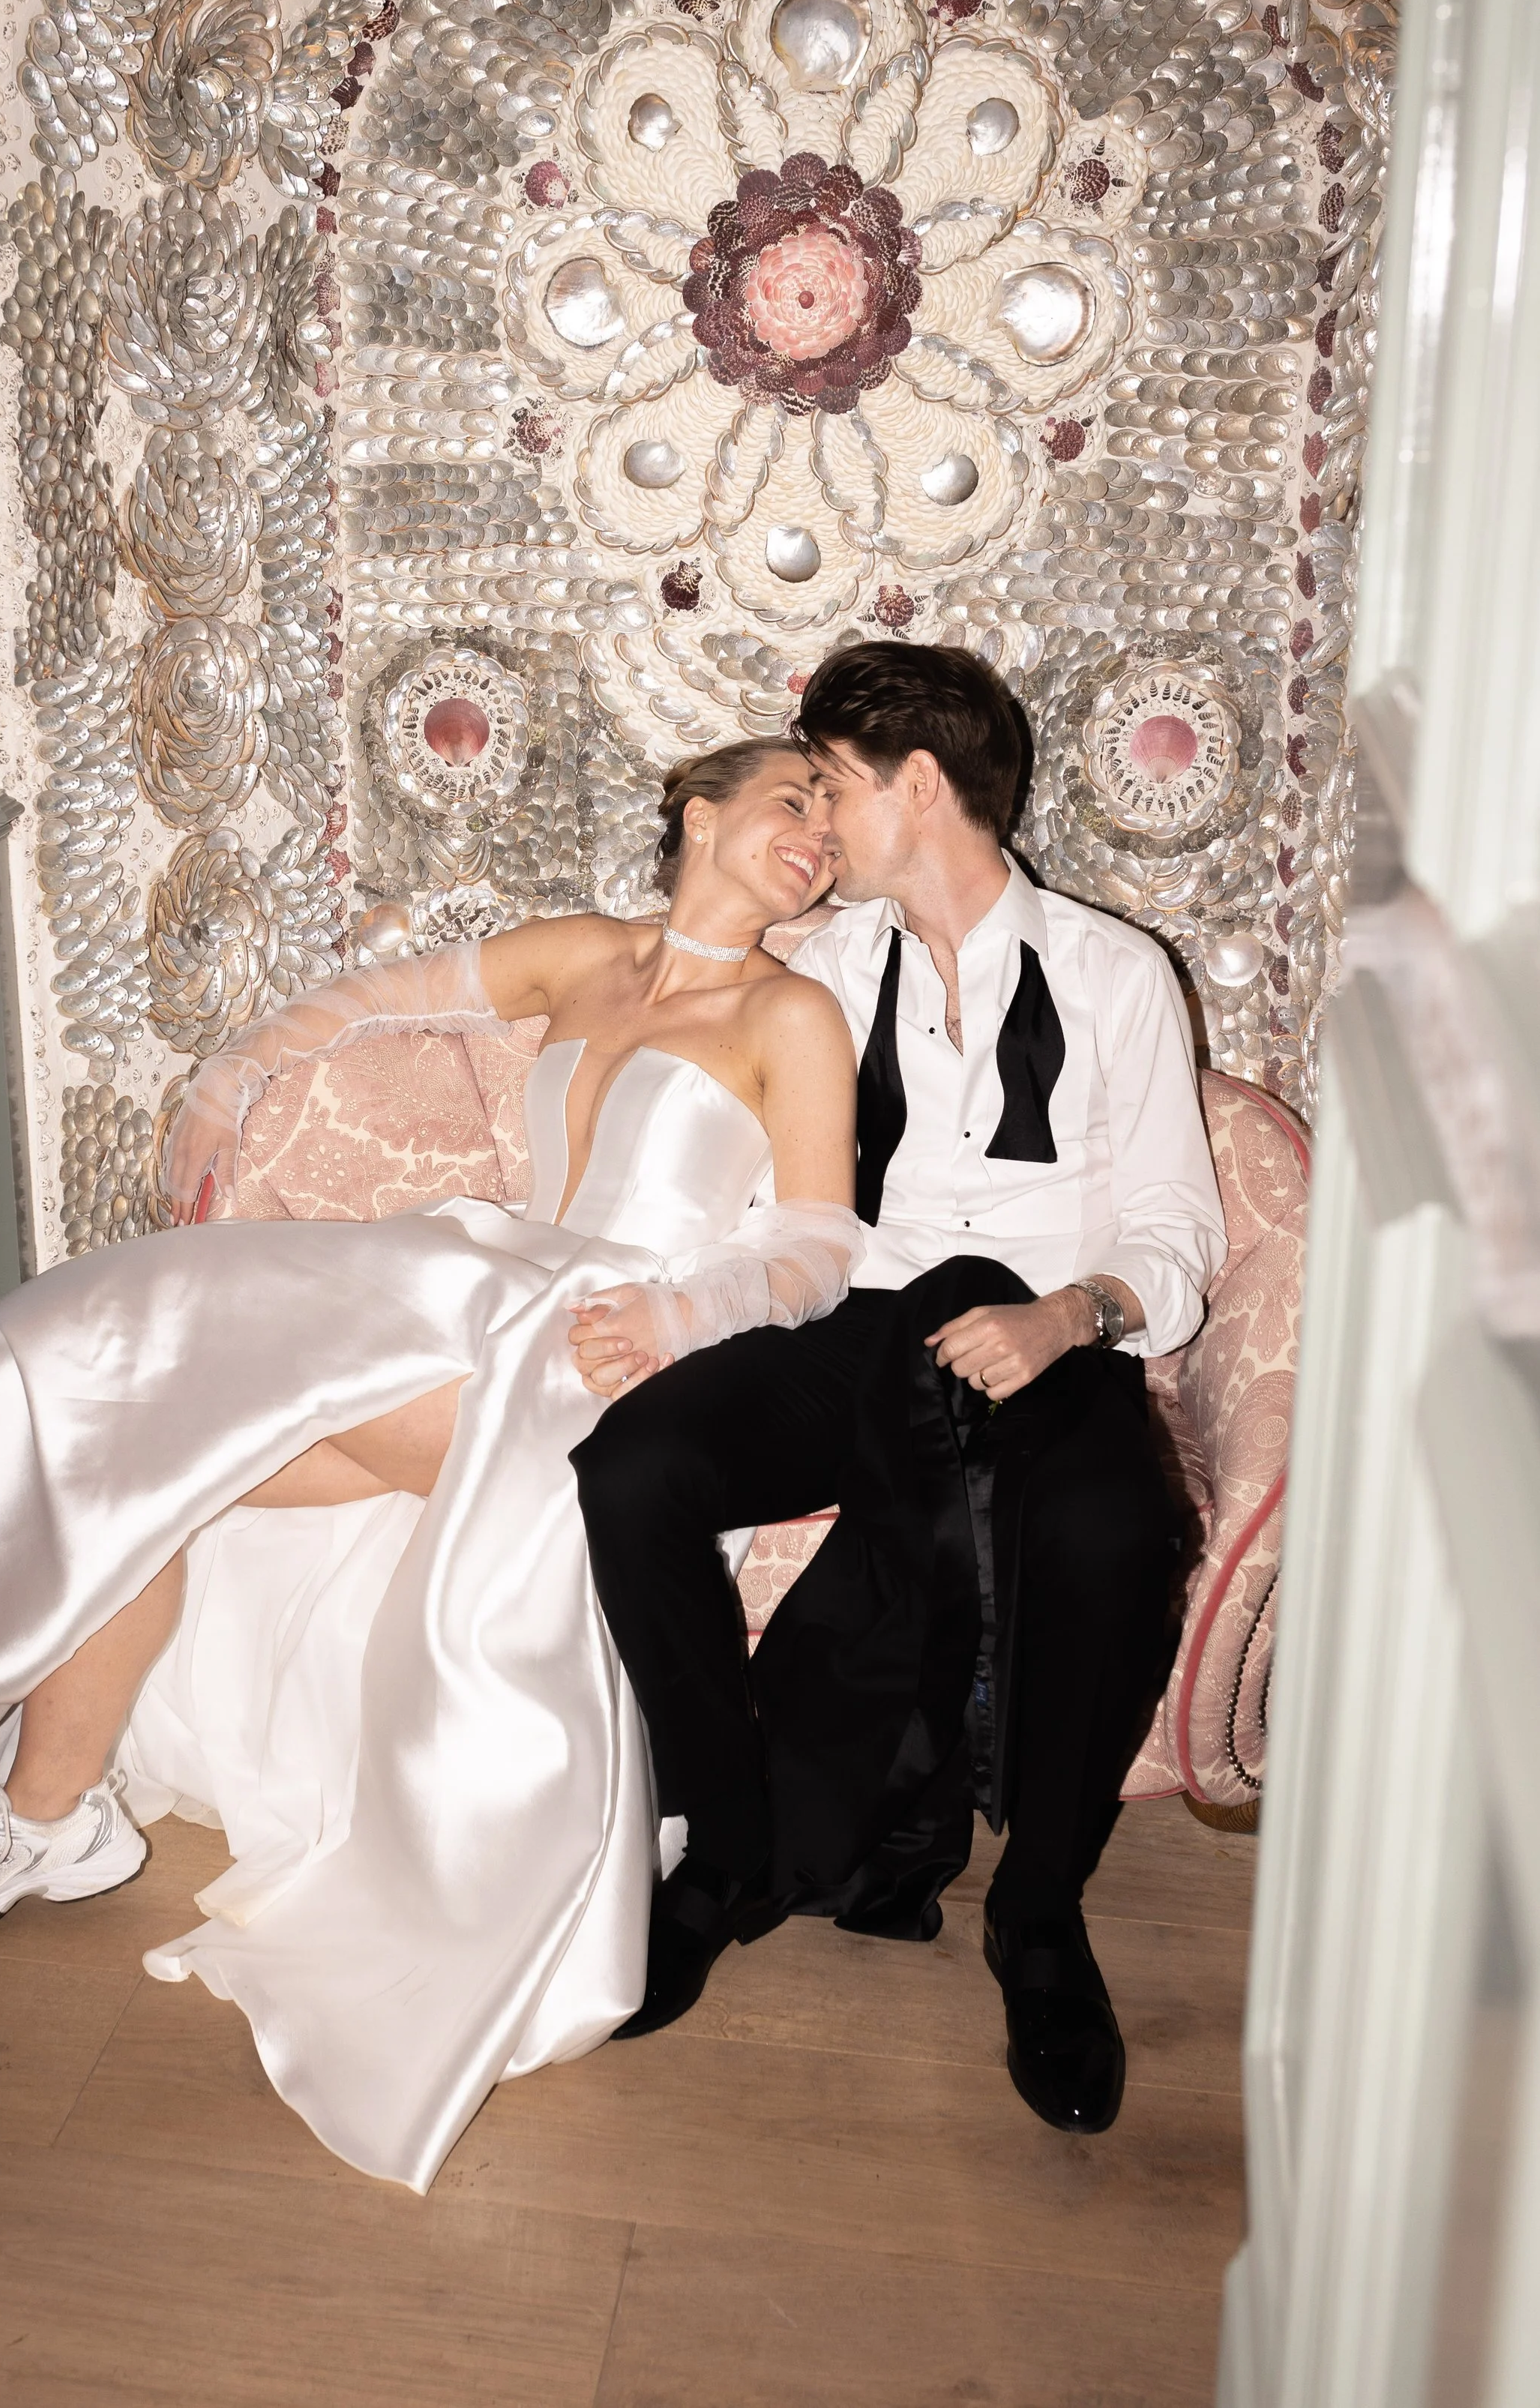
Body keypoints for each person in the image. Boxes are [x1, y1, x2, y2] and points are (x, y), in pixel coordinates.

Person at [0, 738, 862, 2191]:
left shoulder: (792, 1010)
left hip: (593, 1345)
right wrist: (230, 1075)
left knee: (169, 1432)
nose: (817, 835)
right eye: (791, 801)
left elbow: (822, 1245)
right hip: (479, 1281)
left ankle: (39, 1813)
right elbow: (367, 1001)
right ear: (700, 812)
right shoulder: (584, 956)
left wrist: (689, 1307)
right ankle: (43, 1821)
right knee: (157, 1447)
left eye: (832, 819)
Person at [573, 643, 1227, 2135]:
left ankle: (1039, 1918)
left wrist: (1068, 1318)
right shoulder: (822, 966)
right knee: (633, 1472)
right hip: (860, 1325)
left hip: (1041, 1337)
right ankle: (722, 1849)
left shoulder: (1117, 975)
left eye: (832, 787)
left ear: (916, 786)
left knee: (1111, 1540)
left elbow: (1173, 1230)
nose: (816, 823)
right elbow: (681, 1033)